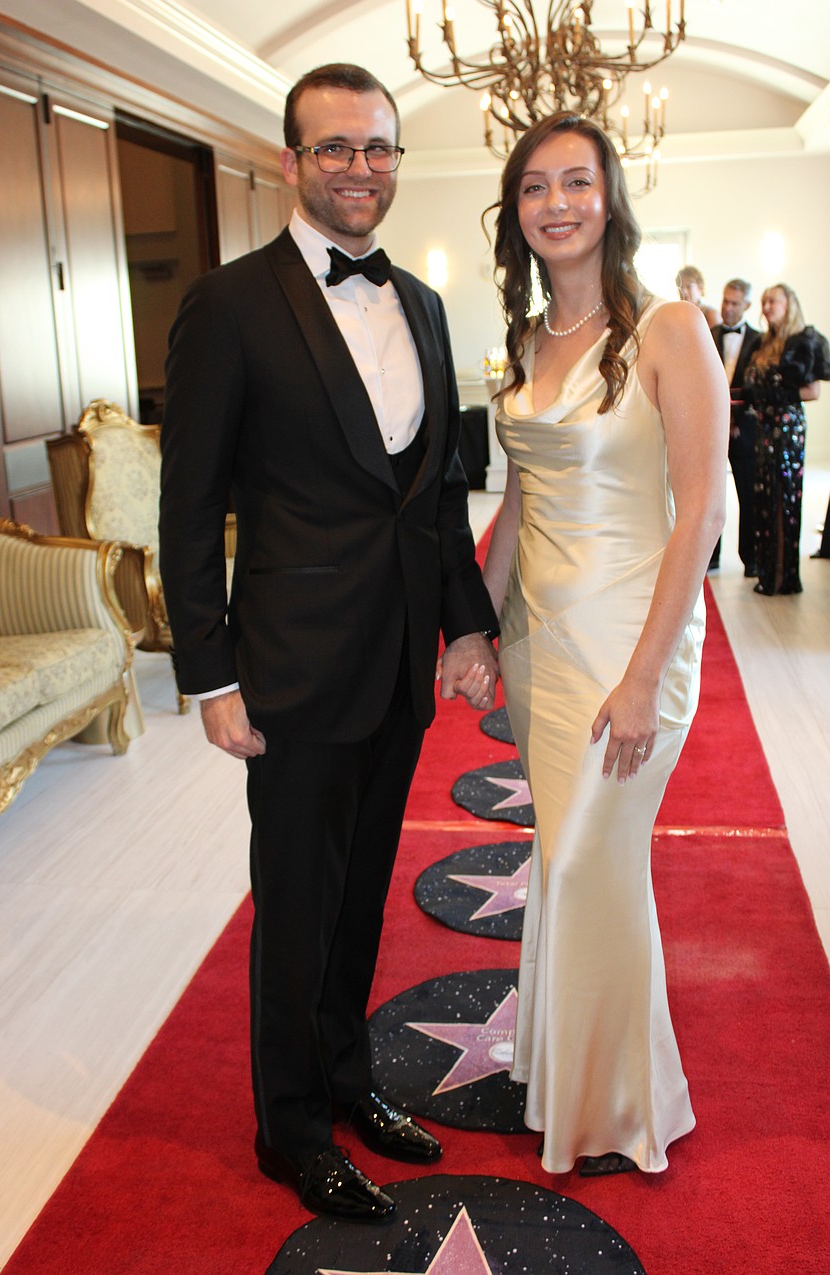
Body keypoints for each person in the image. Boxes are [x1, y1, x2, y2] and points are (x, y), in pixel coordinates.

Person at [159, 63, 499, 1225]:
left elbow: (439, 492)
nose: (361, 168)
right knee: (296, 907)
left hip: (400, 658)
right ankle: (290, 1129)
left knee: (359, 903)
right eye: (337, 148)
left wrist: (466, 625)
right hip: (291, 668)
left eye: (380, 149)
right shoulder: (231, 302)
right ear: (295, 160)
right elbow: (189, 505)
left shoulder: (427, 305)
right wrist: (208, 671)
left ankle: (350, 1085)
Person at [479, 112, 728, 1176]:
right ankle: (559, 1073)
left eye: (576, 182)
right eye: (534, 187)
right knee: (561, 858)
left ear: (609, 197)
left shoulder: (670, 327)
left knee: (590, 864)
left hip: (635, 640)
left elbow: (701, 511)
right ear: (515, 213)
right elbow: (518, 502)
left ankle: (621, 1105)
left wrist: (638, 679)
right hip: (543, 643)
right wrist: (475, 628)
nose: (557, 204)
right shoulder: (527, 343)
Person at [744, 283, 829, 595]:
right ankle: (768, 574)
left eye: (773, 301)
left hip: (788, 429)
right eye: (765, 301)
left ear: (788, 304)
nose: (767, 306)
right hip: (764, 430)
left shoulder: (802, 340)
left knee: (784, 499)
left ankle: (783, 578)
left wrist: (777, 396)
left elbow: (813, 391)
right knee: (765, 498)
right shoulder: (764, 343)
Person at [709, 278, 762, 575]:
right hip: (712, 429)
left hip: (745, 431)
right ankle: (711, 556)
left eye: (734, 303)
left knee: (748, 494)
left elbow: (756, 389)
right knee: (711, 493)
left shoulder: (759, 340)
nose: (727, 308)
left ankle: (750, 559)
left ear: (747, 306)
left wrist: (736, 422)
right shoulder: (708, 333)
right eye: (725, 301)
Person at [676, 264, 721, 329]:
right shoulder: (677, 315)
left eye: (688, 286)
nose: (684, 292)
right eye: (680, 288)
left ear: (700, 287)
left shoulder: (711, 314)